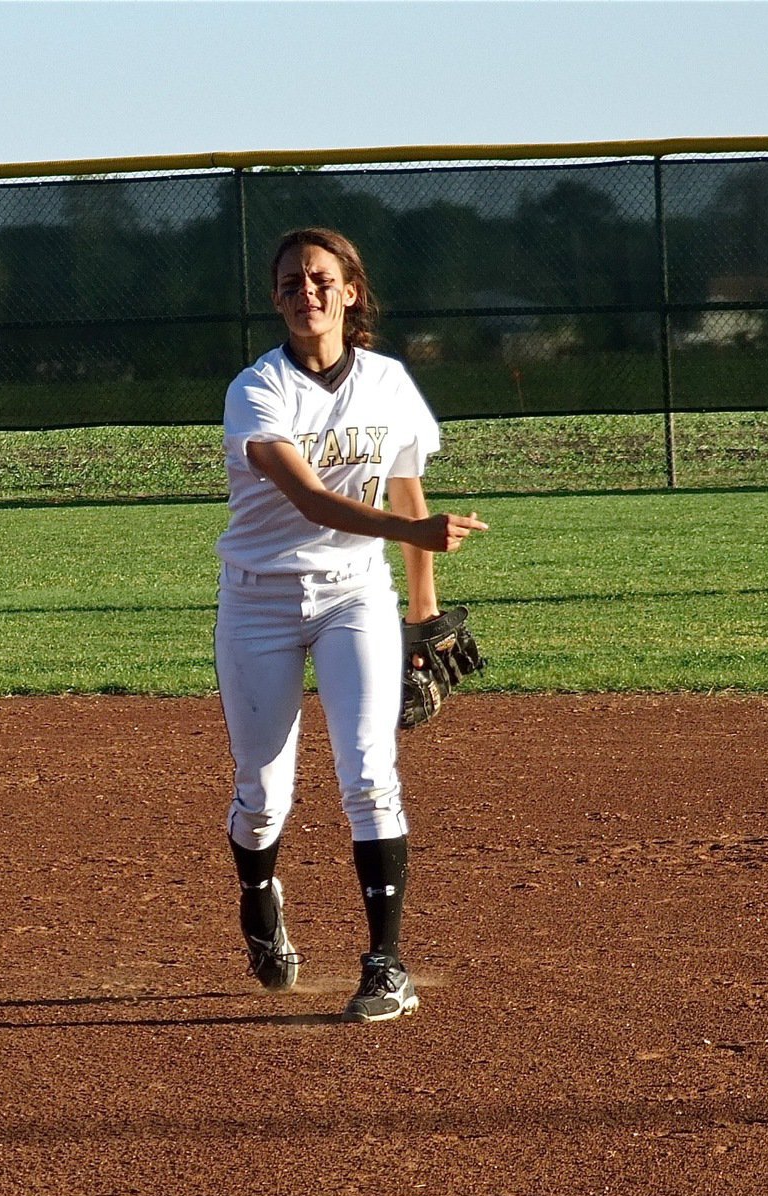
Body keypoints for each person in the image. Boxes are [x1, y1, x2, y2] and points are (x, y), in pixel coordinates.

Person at [214, 227, 487, 1023]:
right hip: (258, 599)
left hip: (353, 596)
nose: (308, 293)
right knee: (263, 794)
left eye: (322, 279)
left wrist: (423, 604)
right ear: (277, 299)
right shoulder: (256, 389)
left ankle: (385, 964)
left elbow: (408, 494)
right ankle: (259, 896)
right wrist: (414, 535)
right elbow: (306, 498)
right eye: (293, 282)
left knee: (369, 774)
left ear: (351, 292)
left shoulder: (389, 383)